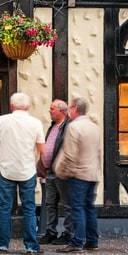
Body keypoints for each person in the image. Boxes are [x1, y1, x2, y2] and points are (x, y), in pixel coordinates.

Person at [0, 92, 45, 255]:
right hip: (27, 170)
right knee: (29, 208)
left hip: (6, 170)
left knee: (4, 208)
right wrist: (36, 163)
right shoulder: (35, 123)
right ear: (27, 106)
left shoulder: (2, 120)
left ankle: (3, 245)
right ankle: (31, 246)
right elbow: (42, 149)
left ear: (12, 106)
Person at [53, 97, 102, 252]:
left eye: (69, 108)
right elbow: (99, 152)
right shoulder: (94, 127)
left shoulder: (74, 127)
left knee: (77, 208)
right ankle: (92, 241)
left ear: (74, 108)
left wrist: (60, 171)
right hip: (92, 174)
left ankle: (77, 242)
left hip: (78, 174)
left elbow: (69, 154)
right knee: (89, 208)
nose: (68, 111)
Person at [38, 100, 74, 245]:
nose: (50, 111)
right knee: (50, 204)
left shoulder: (69, 127)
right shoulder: (53, 126)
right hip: (49, 172)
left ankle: (68, 233)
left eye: (52, 109)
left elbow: (69, 149)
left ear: (62, 111)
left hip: (62, 171)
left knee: (66, 204)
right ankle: (50, 232)